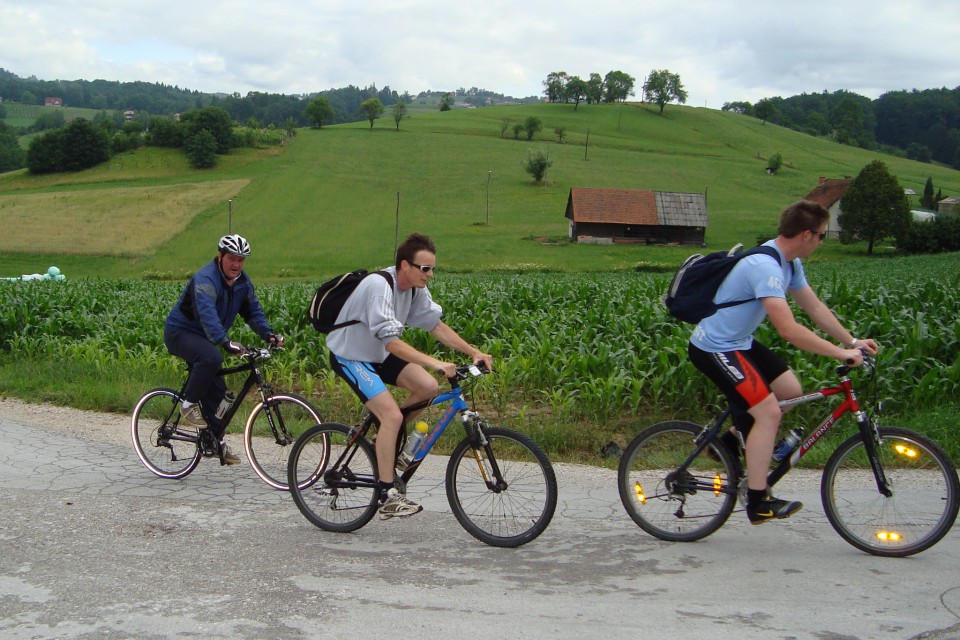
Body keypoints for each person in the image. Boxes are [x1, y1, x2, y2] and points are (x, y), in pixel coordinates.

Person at [687, 200, 878, 525]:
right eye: (820, 236)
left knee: (790, 389)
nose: (821, 241)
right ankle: (759, 501)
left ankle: (731, 439)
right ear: (806, 234)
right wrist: (839, 353)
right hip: (714, 347)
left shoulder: (789, 263)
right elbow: (788, 330)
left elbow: (814, 308)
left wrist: (852, 342)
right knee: (769, 412)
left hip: (739, 343)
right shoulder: (766, 267)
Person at [326, 232, 493, 519]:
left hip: (378, 353)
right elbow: (392, 342)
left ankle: (387, 435)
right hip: (351, 355)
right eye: (424, 268)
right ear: (405, 265)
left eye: (433, 269)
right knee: (391, 415)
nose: (430, 275)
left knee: (427, 387)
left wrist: (472, 352)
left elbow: (435, 326)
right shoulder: (380, 286)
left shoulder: (415, 290)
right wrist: (434, 362)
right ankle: (387, 493)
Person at [164, 234, 284, 464]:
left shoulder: (241, 282)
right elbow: (207, 313)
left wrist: (269, 335)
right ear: (220, 256)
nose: (236, 264)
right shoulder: (206, 279)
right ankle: (188, 406)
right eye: (232, 259)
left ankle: (214, 442)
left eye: (241, 260)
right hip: (181, 333)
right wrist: (224, 341)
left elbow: (253, 312)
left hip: (205, 338)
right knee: (211, 357)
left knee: (220, 397)